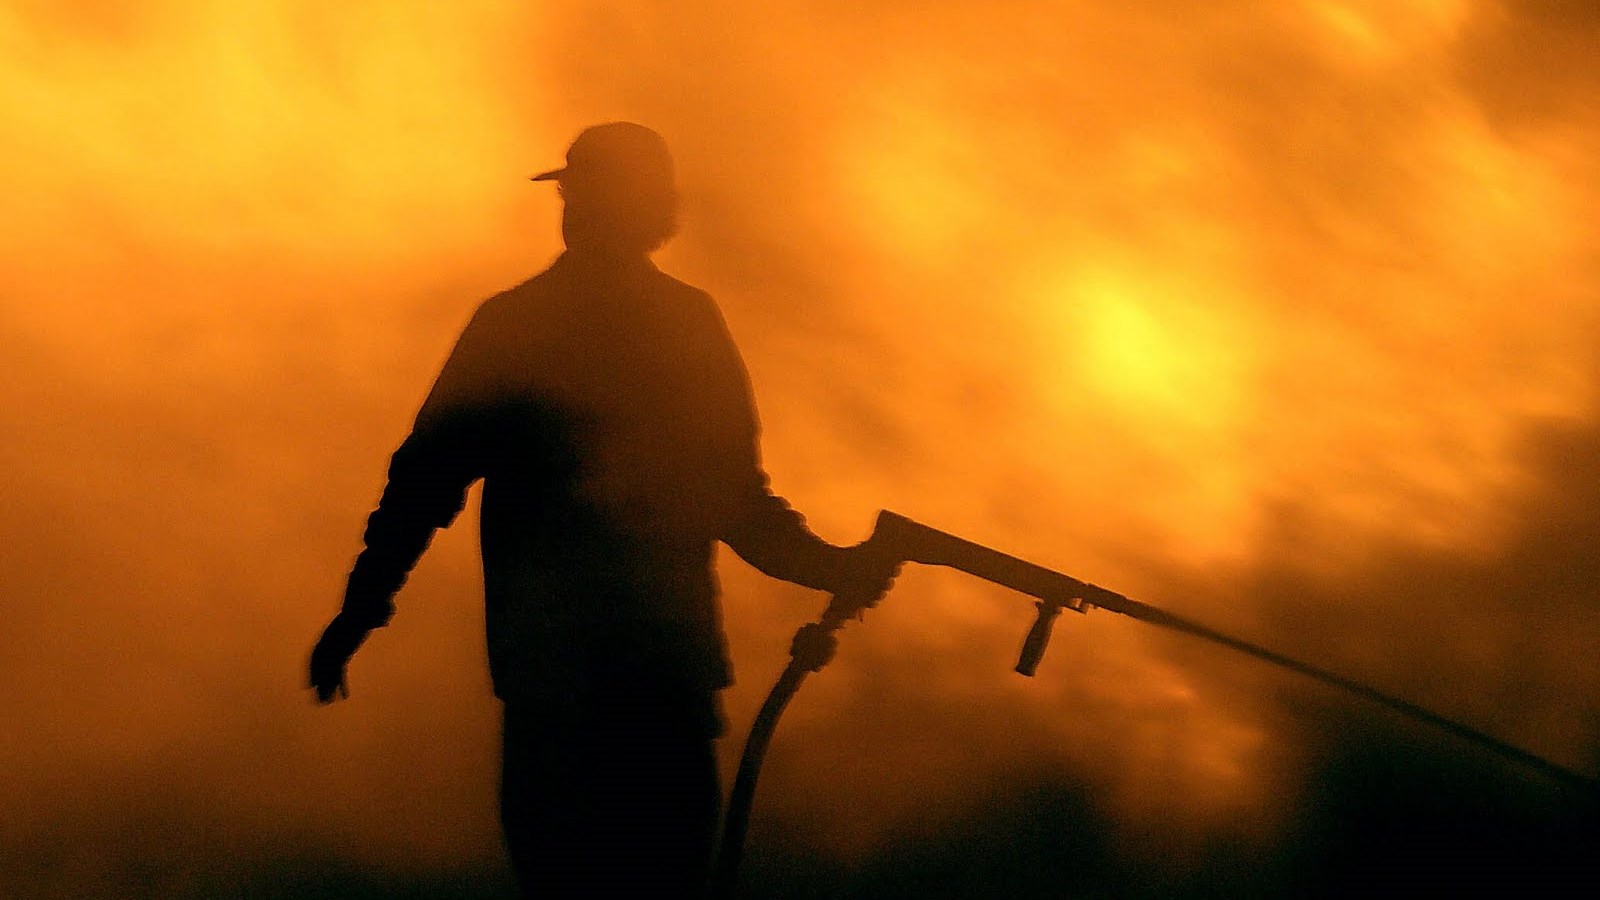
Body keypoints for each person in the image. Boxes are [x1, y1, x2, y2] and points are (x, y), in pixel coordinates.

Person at [308, 122, 888, 898]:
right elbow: (734, 500)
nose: (572, 210)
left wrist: (361, 608)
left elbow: (424, 482)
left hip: (554, 690)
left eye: (579, 194)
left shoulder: (516, 322)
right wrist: (833, 569)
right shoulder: (684, 324)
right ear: (659, 210)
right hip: (662, 686)